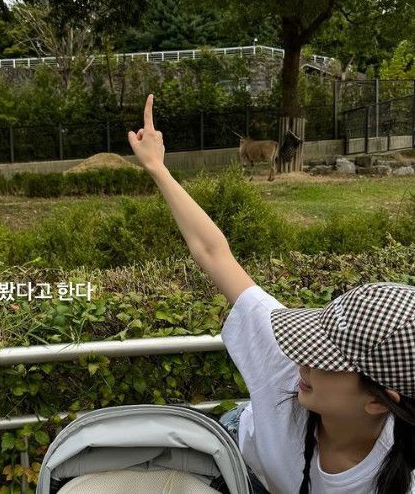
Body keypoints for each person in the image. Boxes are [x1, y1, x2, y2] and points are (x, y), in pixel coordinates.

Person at [127, 94, 415, 494]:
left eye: (323, 358)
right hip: (239, 459)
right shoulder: (292, 366)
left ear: (381, 402)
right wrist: (158, 169)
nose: (302, 360)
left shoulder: (396, 475)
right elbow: (214, 253)